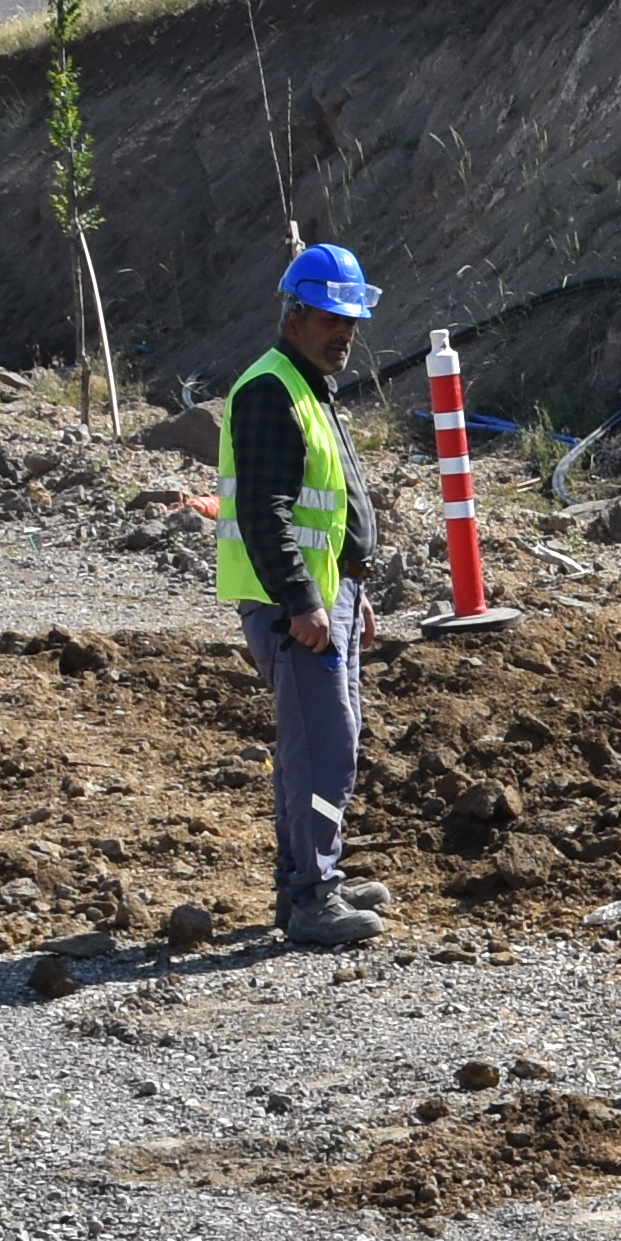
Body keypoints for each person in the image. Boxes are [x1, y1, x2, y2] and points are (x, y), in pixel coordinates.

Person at [221, 242, 400, 949]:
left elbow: (326, 510)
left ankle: (310, 876)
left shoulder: (309, 387)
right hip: (294, 606)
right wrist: (302, 601)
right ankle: (310, 896)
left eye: (351, 322)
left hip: (331, 595)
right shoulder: (272, 390)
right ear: (294, 317)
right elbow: (264, 510)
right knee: (322, 748)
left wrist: (352, 583)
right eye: (331, 319)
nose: (344, 334)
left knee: (329, 742)